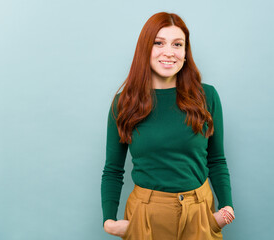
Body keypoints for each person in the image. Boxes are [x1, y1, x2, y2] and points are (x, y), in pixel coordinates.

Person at [101, 12, 235, 240]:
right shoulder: (124, 103)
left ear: (185, 52)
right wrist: (109, 222)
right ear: (145, 49)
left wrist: (227, 206)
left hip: (199, 214)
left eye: (177, 44)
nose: (169, 52)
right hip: (145, 216)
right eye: (158, 43)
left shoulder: (207, 97)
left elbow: (216, 160)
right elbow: (113, 170)